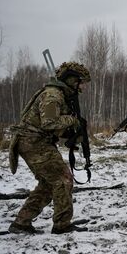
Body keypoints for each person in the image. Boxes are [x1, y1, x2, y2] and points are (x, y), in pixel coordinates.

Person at [8, 62, 91, 234]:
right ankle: (62, 224)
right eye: (81, 82)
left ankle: (21, 223)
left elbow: (54, 127)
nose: (82, 87)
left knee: (48, 184)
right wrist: (72, 120)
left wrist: (73, 134)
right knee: (63, 179)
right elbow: (49, 123)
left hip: (35, 141)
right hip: (33, 142)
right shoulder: (53, 95)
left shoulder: (60, 95)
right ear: (71, 80)